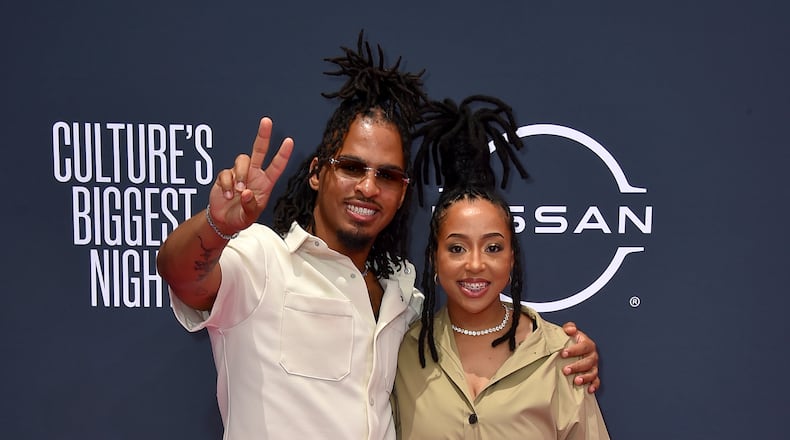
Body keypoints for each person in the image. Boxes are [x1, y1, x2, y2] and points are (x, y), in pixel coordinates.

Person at [157, 33, 601, 439]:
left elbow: (469, 339)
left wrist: (563, 351)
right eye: (352, 167)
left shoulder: (404, 298)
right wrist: (218, 226)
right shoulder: (261, 259)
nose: (368, 187)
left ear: (402, 191)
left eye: (386, 175)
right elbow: (182, 275)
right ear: (317, 173)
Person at [394, 95, 610, 438]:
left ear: (512, 258)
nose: (475, 264)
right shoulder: (403, 353)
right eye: (457, 248)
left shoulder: (559, 354)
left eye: (492, 247)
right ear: (435, 258)